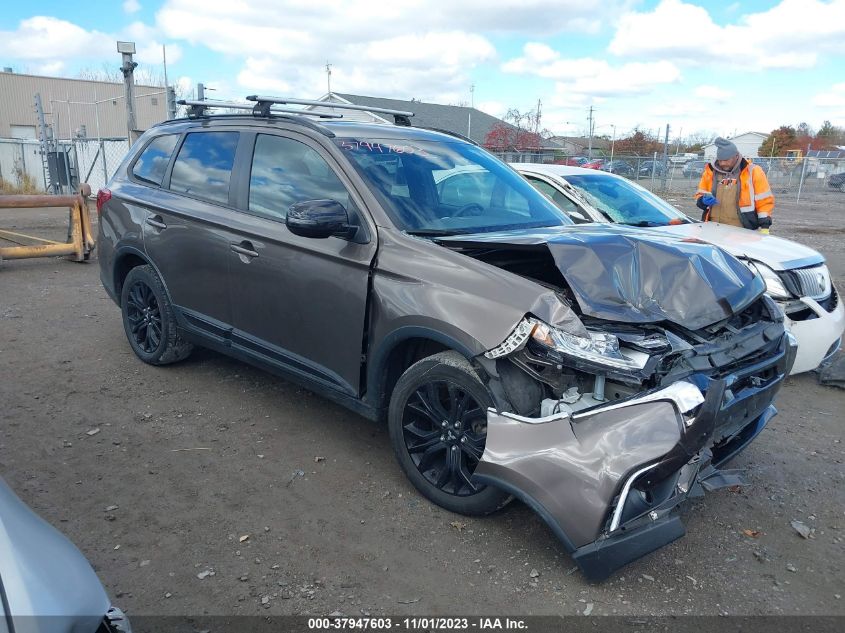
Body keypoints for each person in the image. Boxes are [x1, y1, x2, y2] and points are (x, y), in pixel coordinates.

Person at [694, 137, 774, 234]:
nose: (723, 163)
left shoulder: (753, 171)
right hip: (713, 227)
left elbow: (764, 200)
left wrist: (764, 225)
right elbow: (700, 195)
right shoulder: (710, 172)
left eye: (726, 160)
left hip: (742, 230)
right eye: (720, 160)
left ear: (736, 156)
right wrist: (702, 200)